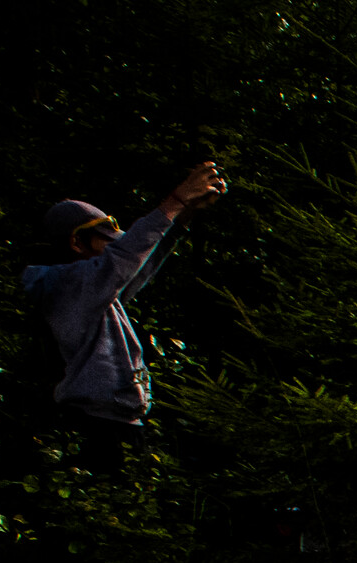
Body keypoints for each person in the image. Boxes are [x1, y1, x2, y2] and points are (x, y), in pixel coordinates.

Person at [23, 160, 224, 443]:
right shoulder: (67, 285)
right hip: (94, 423)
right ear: (76, 243)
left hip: (114, 420)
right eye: (107, 241)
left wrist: (183, 217)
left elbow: (140, 265)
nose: (114, 248)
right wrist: (176, 202)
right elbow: (124, 258)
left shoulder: (92, 291)